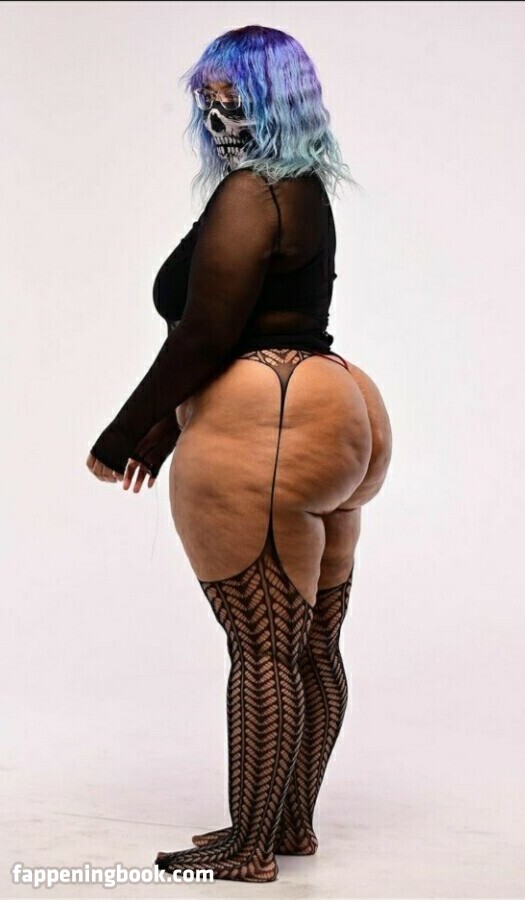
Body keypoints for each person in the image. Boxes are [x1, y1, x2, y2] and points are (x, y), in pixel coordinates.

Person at [86, 24, 392, 884]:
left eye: (233, 97)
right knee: (311, 644)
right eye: (208, 97)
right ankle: (288, 825)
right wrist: (172, 428)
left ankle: (249, 847)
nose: (217, 114)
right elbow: (264, 315)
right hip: (337, 411)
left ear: (274, 101)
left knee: (261, 649)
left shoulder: (251, 192)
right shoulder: (306, 189)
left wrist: (124, 432)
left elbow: (208, 332)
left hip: (266, 416)